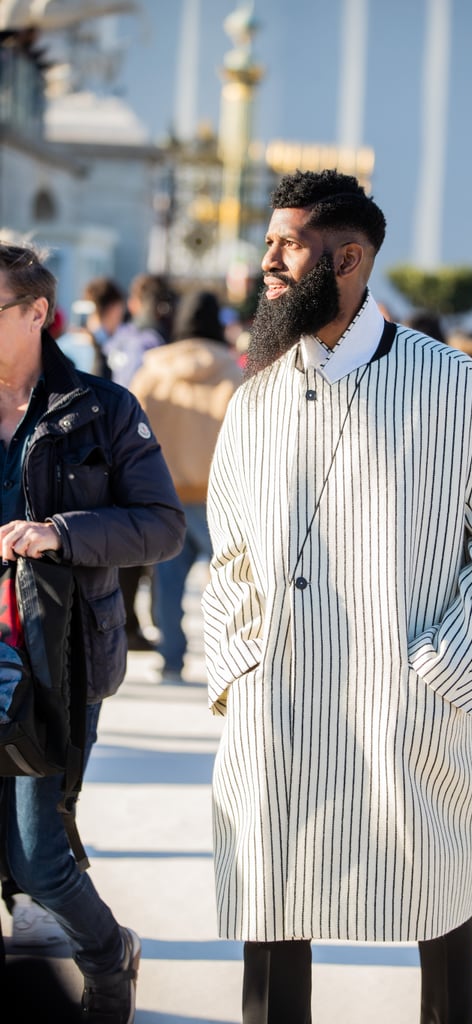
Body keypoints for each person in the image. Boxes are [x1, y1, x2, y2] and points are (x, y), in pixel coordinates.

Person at [202, 170, 472, 1024]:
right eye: (270, 241)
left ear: (348, 257)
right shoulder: (258, 392)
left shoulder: (451, 385)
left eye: (288, 244)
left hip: (408, 706)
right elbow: (231, 552)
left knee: (436, 902)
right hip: (277, 707)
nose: (268, 261)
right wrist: (241, 666)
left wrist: (436, 675)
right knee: (272, 901)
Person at [0, 240, 186, 1021]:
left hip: (52, 660)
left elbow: (161, 527)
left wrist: (60, 533)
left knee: (39, 859)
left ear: (39, 313)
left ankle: (109, 962)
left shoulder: (102, 409)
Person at [130, 289, 242, 682]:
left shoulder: (151, 372)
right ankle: (228, 660)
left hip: (164, 493)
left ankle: (171, 658)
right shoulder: (234, 374)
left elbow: (130, 432)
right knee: (232, 584)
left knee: (167, 583)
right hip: (218, 498)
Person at [105, 272, 177, 651]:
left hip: (115, 447)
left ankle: (127, 625)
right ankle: (128, 626)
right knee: (138, 548)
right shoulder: (152, 343)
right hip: (138, 447)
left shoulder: (123, 338)